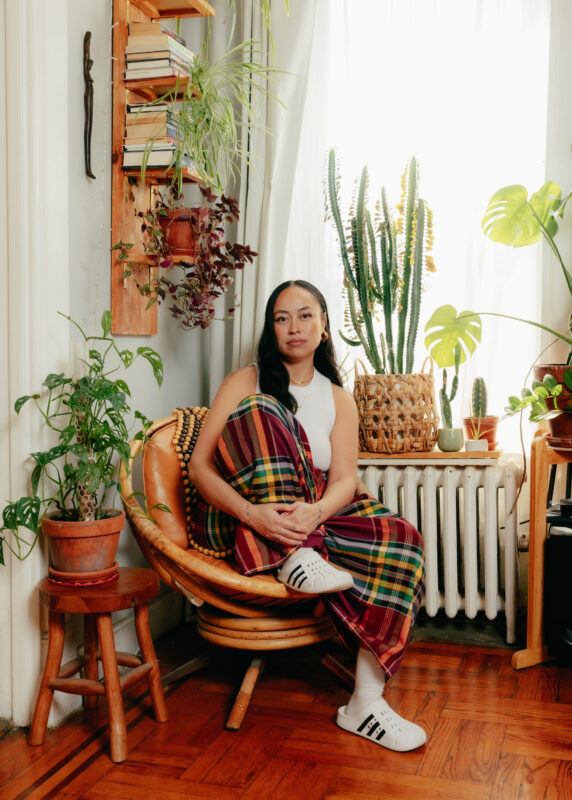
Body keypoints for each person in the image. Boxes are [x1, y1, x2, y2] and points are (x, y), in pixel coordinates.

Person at [188, 279, 426, 752]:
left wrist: (316, 511)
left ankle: (365, 702)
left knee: (403, 537)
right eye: (281, 318)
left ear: (323, 326)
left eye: (304, 315)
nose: (293, 327)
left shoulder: (339, 398)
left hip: (310, 510)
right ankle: (295, 556)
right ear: (269, 329)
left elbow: (343, 480)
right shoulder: (247, 381)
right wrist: (252, 513)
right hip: (246, 509)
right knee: (264, 409)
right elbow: (198, 466)